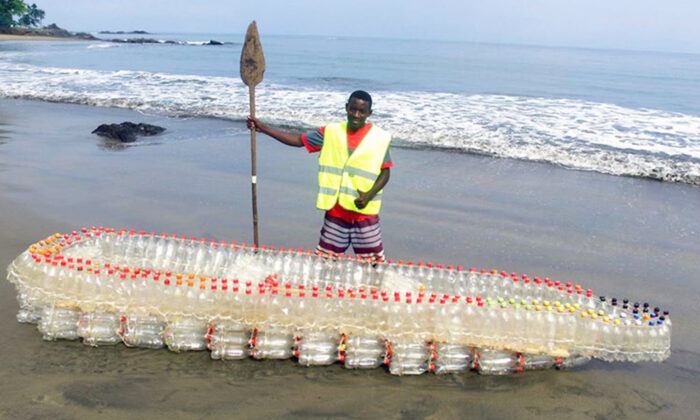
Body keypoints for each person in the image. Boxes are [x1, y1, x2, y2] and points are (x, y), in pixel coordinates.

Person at [246, 90, 393, 261]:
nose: (356, 115)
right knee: (325, 263)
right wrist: (264, 128)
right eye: (352, 109)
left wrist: (369, 195)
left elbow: (385, 171)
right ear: (346, 108)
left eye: (361, 112)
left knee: (373, 264)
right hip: (336, 214)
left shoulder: (379, 138)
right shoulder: (331, 133)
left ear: (369, 113)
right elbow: (298, 140)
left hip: (365, 215)